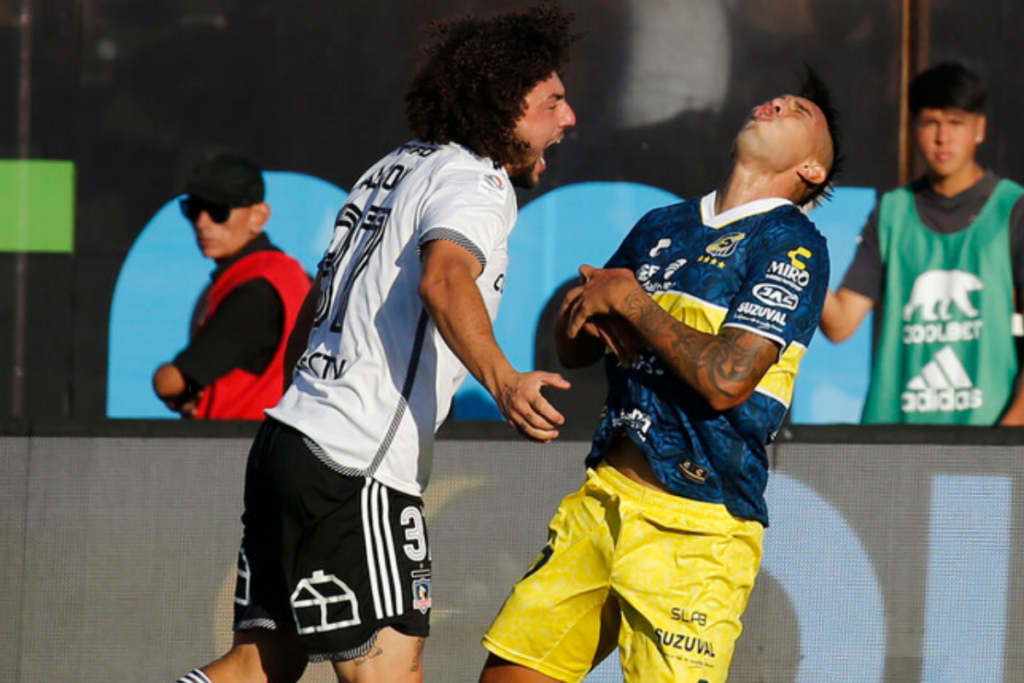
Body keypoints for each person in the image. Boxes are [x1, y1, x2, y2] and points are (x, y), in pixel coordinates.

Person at [172, 5, 579, 683]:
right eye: (553, 103)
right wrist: (506, 381)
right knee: (387, 670)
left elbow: (319, 302)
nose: (568, 119)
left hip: (290, 441)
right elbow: (445, 280)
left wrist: (304, 404)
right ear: (501, 109)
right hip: (355, 462)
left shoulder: (392, 167)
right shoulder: (478, 180)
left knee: (259, 662)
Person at [478, 67, 840, 683]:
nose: (778, 102)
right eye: (776, 97)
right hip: (600, 504)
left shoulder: (792, 243)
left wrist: (629, 303)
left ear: (812, 172)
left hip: (697, 527)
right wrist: (590, 306)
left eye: (800, 111)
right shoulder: (661, 227)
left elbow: (727, 378)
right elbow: (574, 347)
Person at [819, 62, 1024, 425]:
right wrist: (796, 253)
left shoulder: (1013, 208)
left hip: (987, 441)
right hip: (894, 441)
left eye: (955, 123)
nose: (942, 137)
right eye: (931, 123)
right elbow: (840, 325)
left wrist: (1007, 437)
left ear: (979, 128)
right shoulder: (892, 212)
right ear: (914, 128)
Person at [152, 153, 311, 419]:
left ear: (258, 216)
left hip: (239, 446)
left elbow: (173, 380)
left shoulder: (257, 287)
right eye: (192, 208)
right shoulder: (287, 275)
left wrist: (171, 383)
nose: (202, 222)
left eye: (218, 210)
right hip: (268, 439)